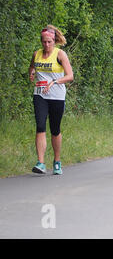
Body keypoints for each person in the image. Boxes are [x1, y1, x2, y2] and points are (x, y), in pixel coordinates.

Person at [28, 25, 74, 174]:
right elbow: (32, 67)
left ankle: (57, 161)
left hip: (57, 96)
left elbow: (70, 76)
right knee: (40, 125)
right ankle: (41, 162)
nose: (46, 45)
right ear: (41, 41)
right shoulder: (37, 54)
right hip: (40, 94)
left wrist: (54, 82)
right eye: (44, 42)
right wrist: (32, 72)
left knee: (55, 130)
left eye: (49, 42)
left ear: (54, 41)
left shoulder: (60, 54)